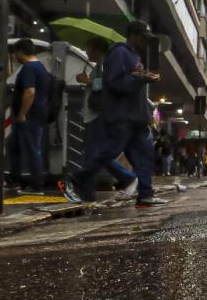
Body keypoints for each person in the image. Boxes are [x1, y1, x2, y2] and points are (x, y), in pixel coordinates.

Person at [66, 21, 165, 208]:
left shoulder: (135, 56)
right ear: (134, 35)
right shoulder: (119, 53)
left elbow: (130, 81)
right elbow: (114, 83)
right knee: (107, 153)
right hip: (123, 116)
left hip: (136, 116)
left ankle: (145, 194)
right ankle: (79, 178)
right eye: (143, 38)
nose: (145, 42)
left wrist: (143, 78)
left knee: (144, 156)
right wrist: (140, 79)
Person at [71, 38, 138, 198]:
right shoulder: (100, 65)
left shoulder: (104, 64)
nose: (86, 52)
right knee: (92, 155)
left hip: (97, 115)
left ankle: (126, 177)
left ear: (96, 48)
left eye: (88, 47)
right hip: (94, 115)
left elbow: (106, 85)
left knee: (95, 155)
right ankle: (86, 192)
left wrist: (85, 80)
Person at [7, 39, 52, 195]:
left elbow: (30, 92)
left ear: (20, 51)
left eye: (14, 53)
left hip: (30, 116)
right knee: (15, 147)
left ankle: (37, 186)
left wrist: (22, 113)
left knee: (32, 149)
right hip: (37, 114)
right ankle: (16, 180)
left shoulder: (29, 69)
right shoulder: (40, 67)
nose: (14, 56)